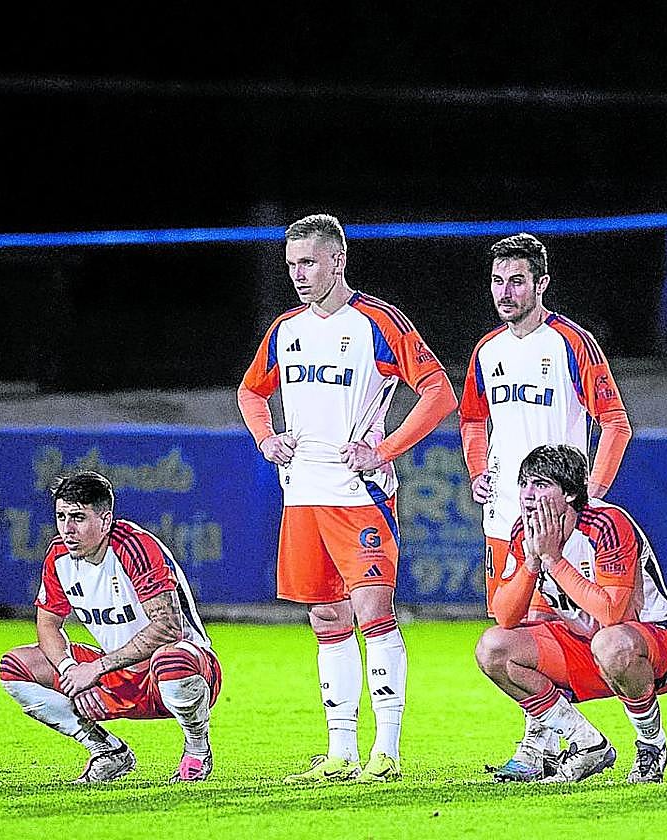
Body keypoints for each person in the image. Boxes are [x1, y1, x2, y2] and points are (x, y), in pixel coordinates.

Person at [237, 213, 457, 783]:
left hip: (360, 496)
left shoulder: (377, 322)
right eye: (291, 265)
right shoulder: (285, 329)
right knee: (326, 618)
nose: (299, 275)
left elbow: (438, 392)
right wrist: (267, 437)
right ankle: (340, 752)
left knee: (373, 614)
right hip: (303, 495)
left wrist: (386, 448)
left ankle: (386, 750)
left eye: (309, 262)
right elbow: (251, 390)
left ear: (338, 259)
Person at [459, 233, 632, 781]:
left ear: (542, 284)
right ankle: (546, 743)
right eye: (496, 281)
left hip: (561, 517)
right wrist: (478, 470)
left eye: (516, 281)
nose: (504, 292)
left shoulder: (570, 343)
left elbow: (615, 423)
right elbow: (471, 420)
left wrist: (591, 498)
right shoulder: (487, 351)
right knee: (515, 628)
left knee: (570, 624)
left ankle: (570, 739)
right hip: (505, 516)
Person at [474, 445, 667, 784]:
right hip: (585, 647)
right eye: (524, 484)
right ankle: (586, 742)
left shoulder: (607, 524)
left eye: (542, 484)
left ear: (572, 493)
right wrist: (533, 562)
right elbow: (505, 616)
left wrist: (554, 561)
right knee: (493, 647)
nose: (529, 495)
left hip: (655, 645)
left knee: (611, 642)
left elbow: (612, 612)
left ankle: (651, 744)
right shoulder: (523, 531)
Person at [0, 471, 221, 783]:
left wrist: (96, 669)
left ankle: (197, 751)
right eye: (61, 517)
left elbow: (168, 628)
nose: (67, 529)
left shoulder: (134, 548)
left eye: (78, 517)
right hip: (116, 675)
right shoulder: (59, 556)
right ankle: (107, 751)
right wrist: (70, 670)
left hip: (178, 673)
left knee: (172, 660)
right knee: (15, 667)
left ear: (105, 520)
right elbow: (47, 625)